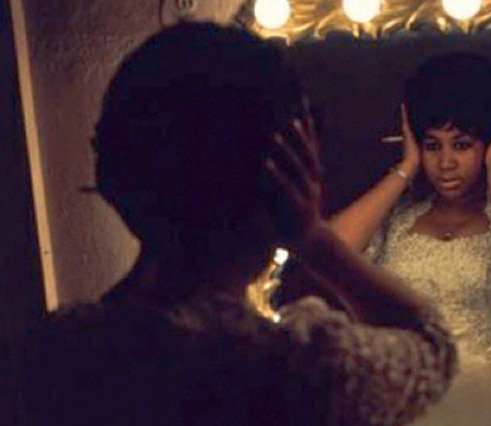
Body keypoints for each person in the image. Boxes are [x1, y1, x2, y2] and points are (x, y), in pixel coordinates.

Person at [23, 23, 456, 426]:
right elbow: (431, 344)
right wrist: (311, 233)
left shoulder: (50, 359)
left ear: (116, 183)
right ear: (287, 186)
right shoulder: (295, 371)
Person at [330, 52, 491, 426]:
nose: (446, 164)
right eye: (432, 145)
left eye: (462, 144)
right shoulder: (396, 218)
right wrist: (406, 166)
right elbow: (328, 251)